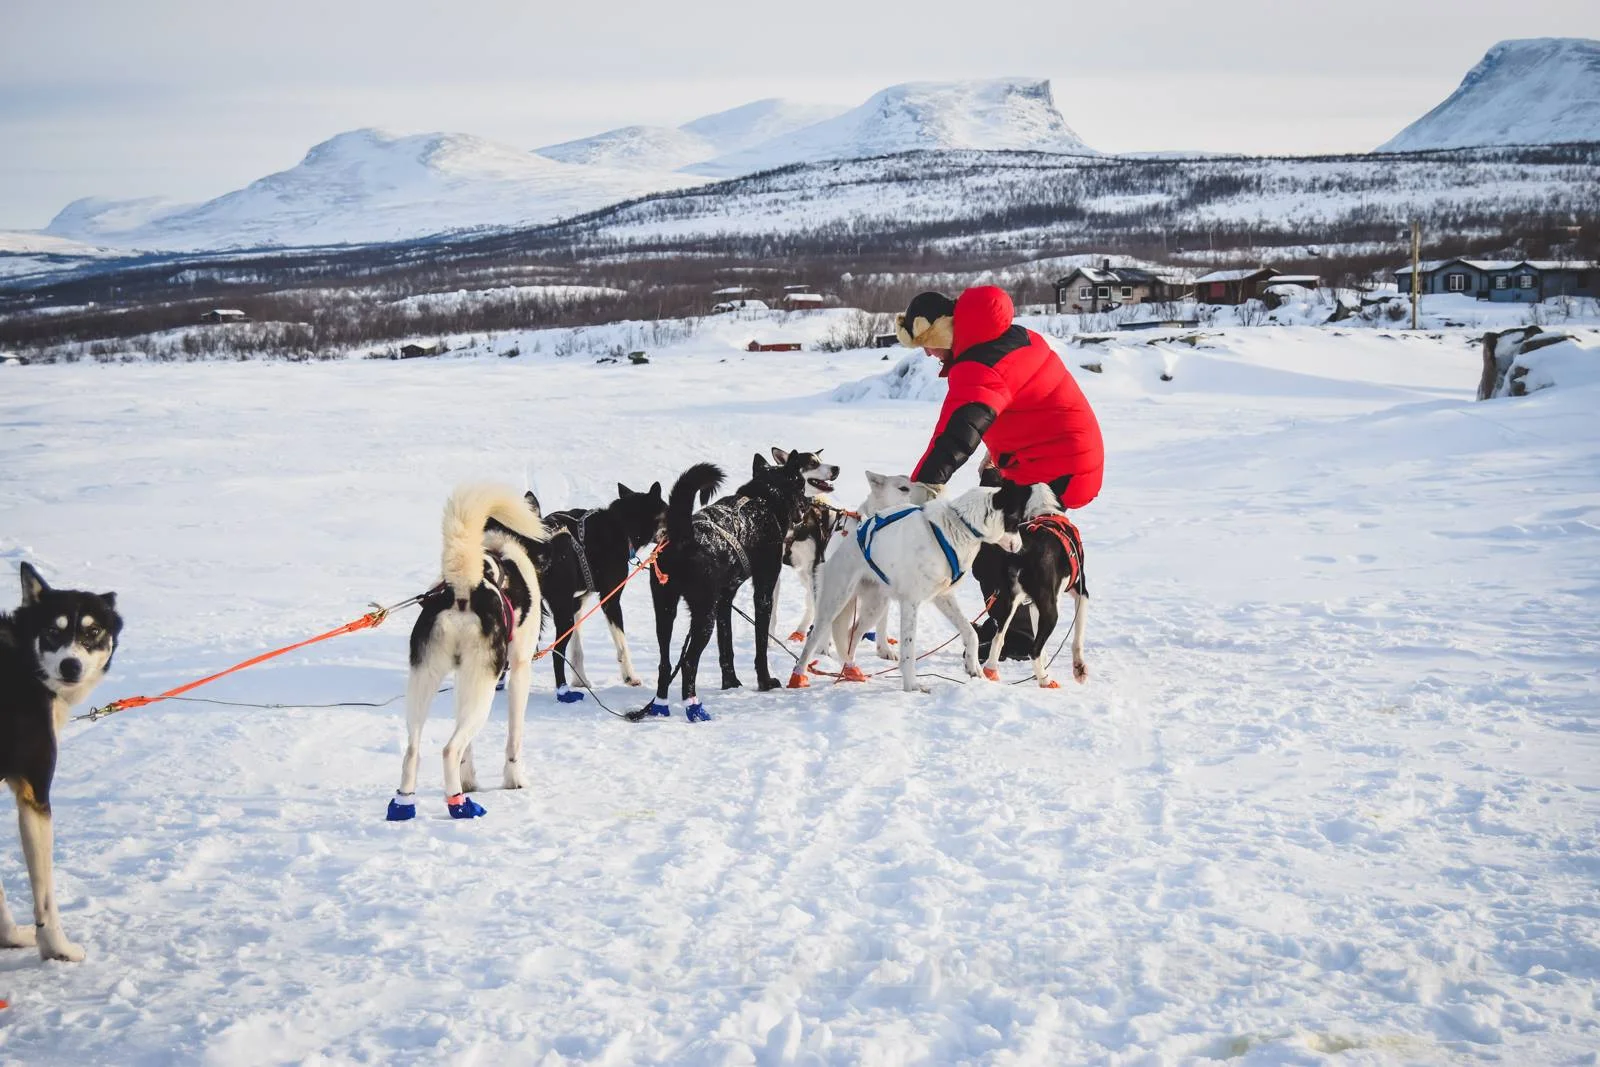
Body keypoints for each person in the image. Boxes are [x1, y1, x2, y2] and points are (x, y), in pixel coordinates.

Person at [895, 286, 1103, 507]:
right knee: (984, 510)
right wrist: (1000, 453)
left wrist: (923, 486)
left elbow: (956, 435)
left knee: (981, 532)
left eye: (926, 343)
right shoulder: (1013, 337)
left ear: (943, 331)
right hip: (1070, 458)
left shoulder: (981, 366)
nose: (927, 353)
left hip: (1057, 473)